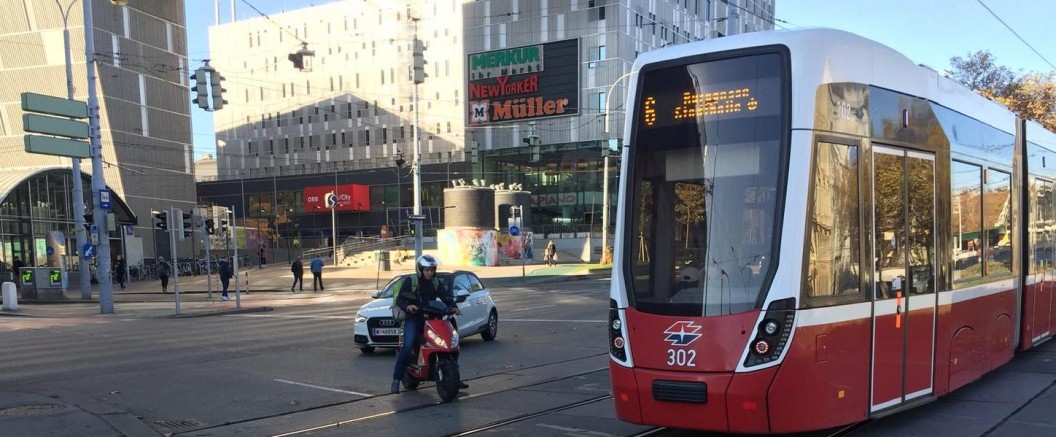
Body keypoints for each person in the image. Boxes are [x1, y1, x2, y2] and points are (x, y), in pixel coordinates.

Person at [390, 255, 466, 394]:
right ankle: (396, 379)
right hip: (414, 317)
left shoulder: (435, 281)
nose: (430, 273)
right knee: (408, 345)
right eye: (427, 270)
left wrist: (453, 306)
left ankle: (454, 376)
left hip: (432, 316)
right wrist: (408, 307)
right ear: (420, 270)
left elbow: (445, 296)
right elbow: (401, 299)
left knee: (452, 342)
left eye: (432, 270)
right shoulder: (410, 280)